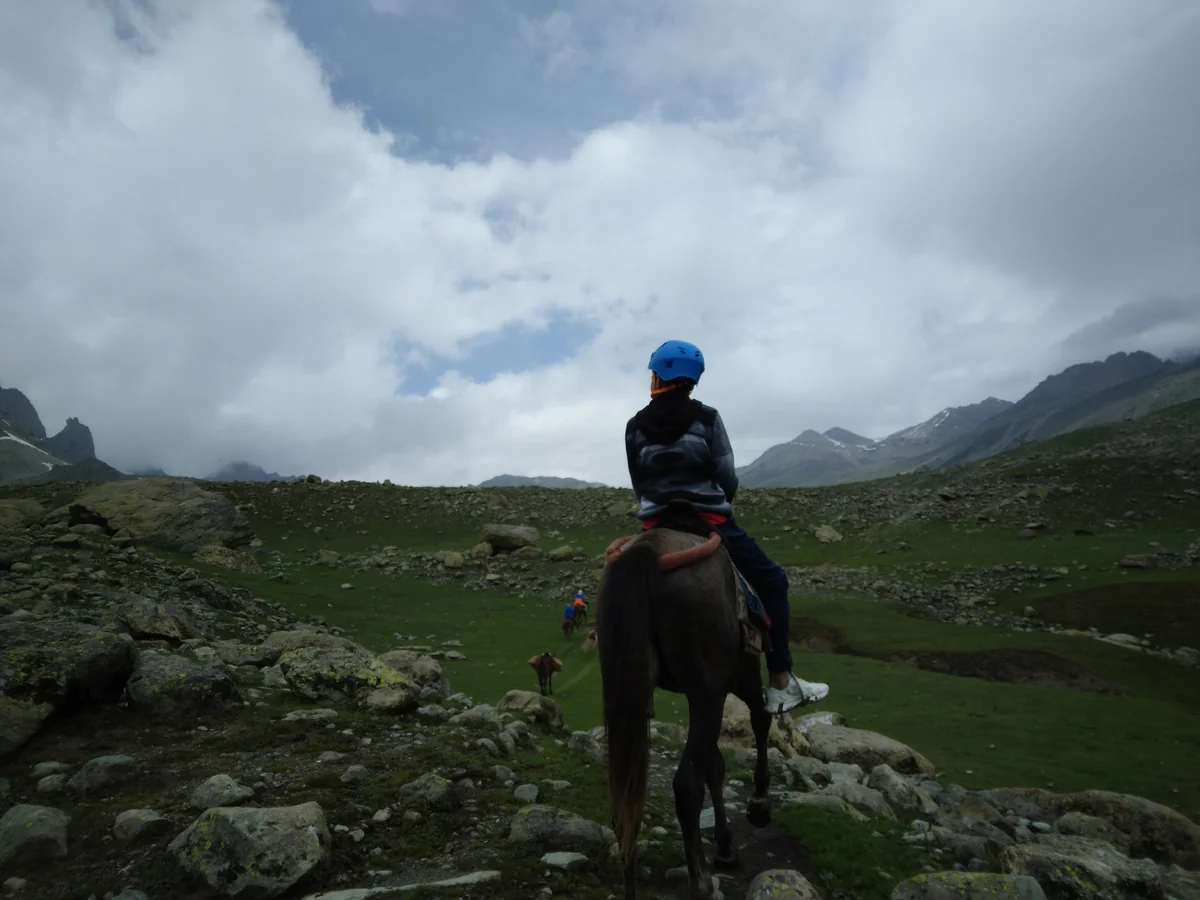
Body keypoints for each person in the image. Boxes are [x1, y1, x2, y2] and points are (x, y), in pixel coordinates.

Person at [625, 339, 830, 715]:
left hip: (655, 522)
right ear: (690, 379)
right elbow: (726, 475)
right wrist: (720, 501)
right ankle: (781, 681)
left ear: (658, 376)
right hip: (708, 519)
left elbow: (639, 483)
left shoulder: (634, 427)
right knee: (772, 582)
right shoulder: (708, 419)